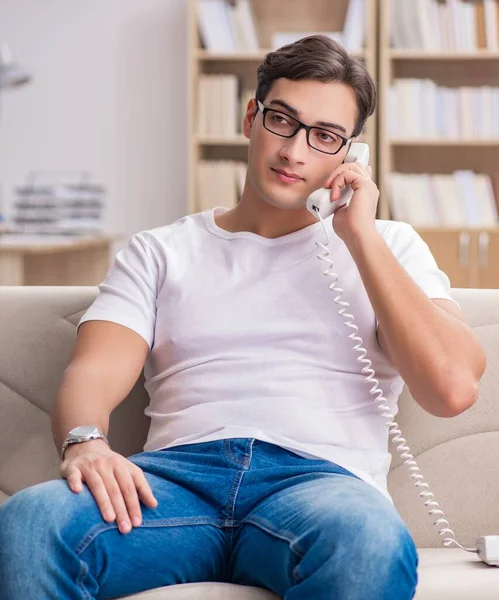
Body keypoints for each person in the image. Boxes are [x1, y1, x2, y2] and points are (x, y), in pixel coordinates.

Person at [0, 35, 486, 600]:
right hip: (175, 484)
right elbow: (93, 371)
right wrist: (85, 442)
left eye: (325, 136)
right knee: (33, 521)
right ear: (251, 117)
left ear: (350, 156)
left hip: (319, 488)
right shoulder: (160, 250)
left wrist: (361, 238)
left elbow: (451, 387)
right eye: (283, 121)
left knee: (371, 544)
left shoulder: (390, 248)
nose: (295, 152)